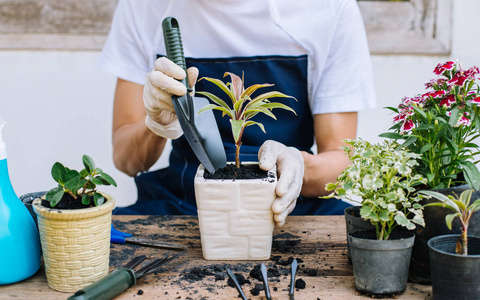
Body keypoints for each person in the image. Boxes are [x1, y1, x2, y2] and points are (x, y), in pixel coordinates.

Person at [98, 0, 376, 227]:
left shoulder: (329, 8)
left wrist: (298, 169)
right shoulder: (144, 7)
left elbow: (342, 162)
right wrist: (156, 124)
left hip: (290, 206)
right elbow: (127, 160)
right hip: (181, 202)